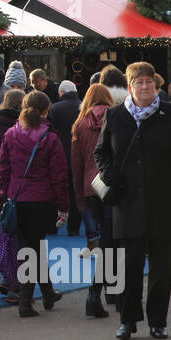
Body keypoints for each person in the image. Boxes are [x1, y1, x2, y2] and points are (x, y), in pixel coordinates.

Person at [94, 61, 171, 340]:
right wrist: (110, 173)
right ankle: (128, 321)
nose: (144, 87)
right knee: (129, 266)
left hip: (164, 203)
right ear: (130, 86)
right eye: (139, 83)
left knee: (162, 268)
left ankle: (158, 321)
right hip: (128, 204)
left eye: (149, 82)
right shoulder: (115, 115)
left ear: (156, 85)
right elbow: (101, 152)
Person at [0, 90, 69, 316]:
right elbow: (59, 175)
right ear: (46, 110)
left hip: (18, 198)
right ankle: (26, 301)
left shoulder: (10, 134)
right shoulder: (51, 138)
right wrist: (63, 205)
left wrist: (6, 192)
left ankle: (46, 294)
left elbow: (3, 169)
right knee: (33, 248)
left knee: (32, 246)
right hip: (42, 199)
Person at [70, 83, 115, 317]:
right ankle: (100, 292)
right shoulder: (117, 118)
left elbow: (76, 167)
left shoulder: (79, 125)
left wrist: (79, 198)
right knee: (112, 240)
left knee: (105, 239)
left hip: (91, 187)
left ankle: (101, 292)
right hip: (113, 185)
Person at [48, 79, 82, 233]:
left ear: (61, 93)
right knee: (76, 192)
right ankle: (74, 228)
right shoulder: (84, 106)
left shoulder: (55, 108)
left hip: (59, 155)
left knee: (57, 189)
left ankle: (54, 225)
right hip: (78, 155)